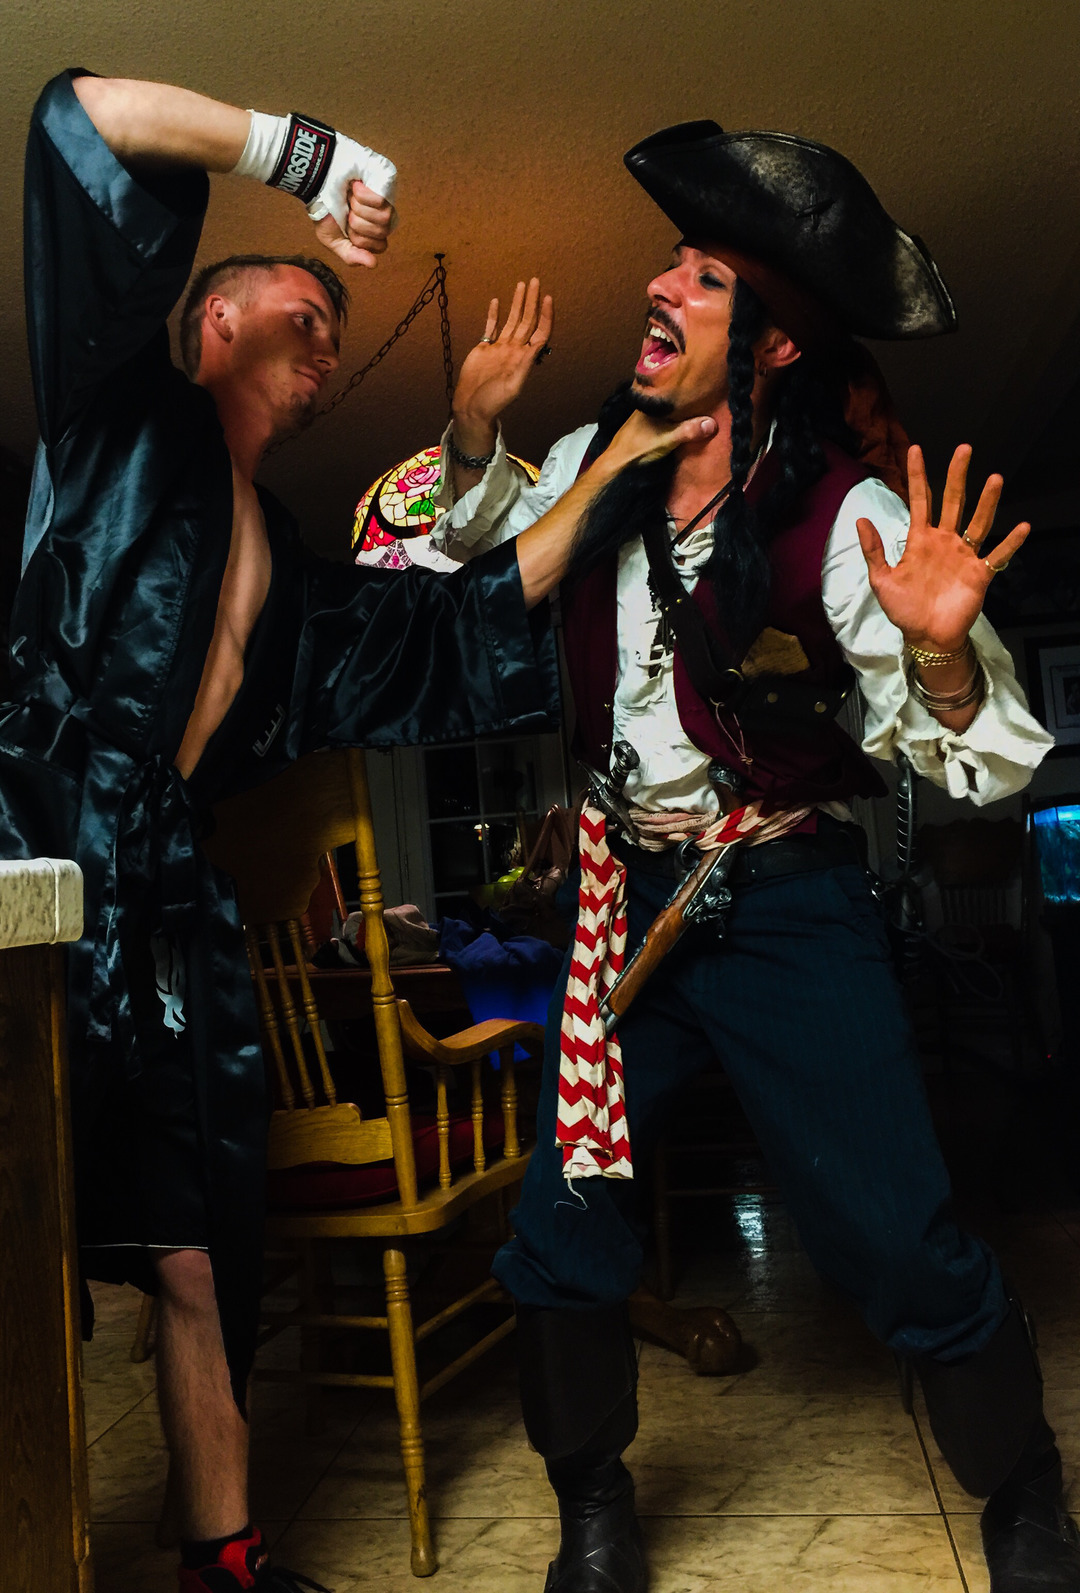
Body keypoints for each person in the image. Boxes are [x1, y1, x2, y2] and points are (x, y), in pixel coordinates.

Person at [1, 71, 710, 1592]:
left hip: (167, 904)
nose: (329, 331)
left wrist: (613, 469)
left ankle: (224, 1558)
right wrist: (306, 159)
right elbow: (82, 120)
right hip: (35, 864)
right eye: (301, 308)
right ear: (212, 322)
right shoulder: (114, 417)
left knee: (199, 1247)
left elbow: (457, 624)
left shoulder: (294, 576)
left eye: (337, 320)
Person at [422, 122, 1071, 1593]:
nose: (660, 286)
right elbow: (467, 551)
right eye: (673, 262)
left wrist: (944, 656)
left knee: (895, 1237)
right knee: (559, 1226)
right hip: (625, 902)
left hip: (785, 902)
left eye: (704, 277)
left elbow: (980, 762)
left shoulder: (849, 517)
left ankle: (1026, 1491)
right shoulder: (589, 460)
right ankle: (593, 1506)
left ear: (771, 346)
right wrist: (469, 440)